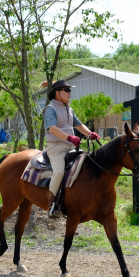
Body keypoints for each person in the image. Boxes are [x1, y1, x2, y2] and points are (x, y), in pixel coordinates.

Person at [43, 79, 99, 218]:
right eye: (66, 90)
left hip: (71, 146)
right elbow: (52, 129)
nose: (70, 93)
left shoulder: (69, 109)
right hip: (56, 147)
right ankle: (51, 205)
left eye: (70, 90)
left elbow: (79, 125)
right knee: (59, 172)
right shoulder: (50, 109)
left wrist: (89, 133)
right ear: (57, 93)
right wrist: (69, 137)